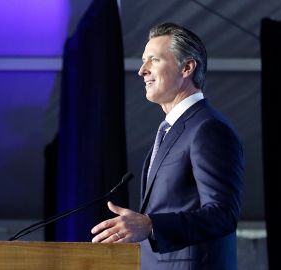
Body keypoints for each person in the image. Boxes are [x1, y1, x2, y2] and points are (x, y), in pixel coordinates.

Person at [91, 22, 244, 270]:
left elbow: (223, 215)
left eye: (154, 60)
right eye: (143, 61)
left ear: (186, 67)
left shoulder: (208, 129)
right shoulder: (170, 130)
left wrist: (150, 225)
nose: (142, 70)